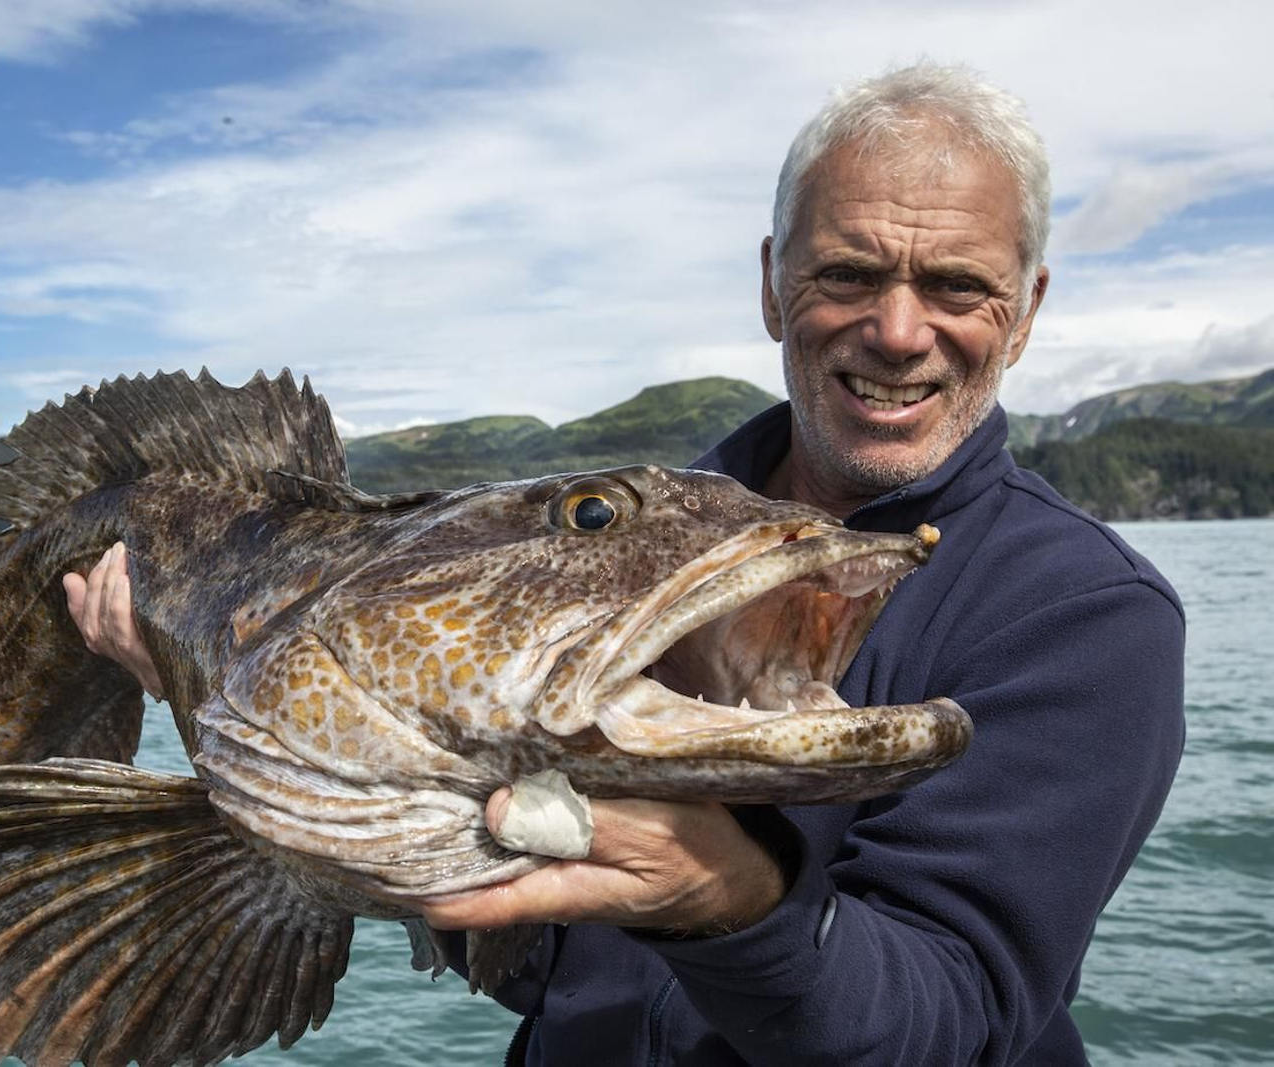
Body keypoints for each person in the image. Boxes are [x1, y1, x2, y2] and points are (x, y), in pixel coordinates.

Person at [67, 63, 1186, 1066]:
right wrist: (204, 675)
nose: (897, 330)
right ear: (771, 284)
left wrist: (732, 901)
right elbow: (517, 949)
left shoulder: (1090, 616)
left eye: (954, 285)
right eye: (847, 273)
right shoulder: (592, 552)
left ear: (1025, 311)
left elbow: (954, 1015)